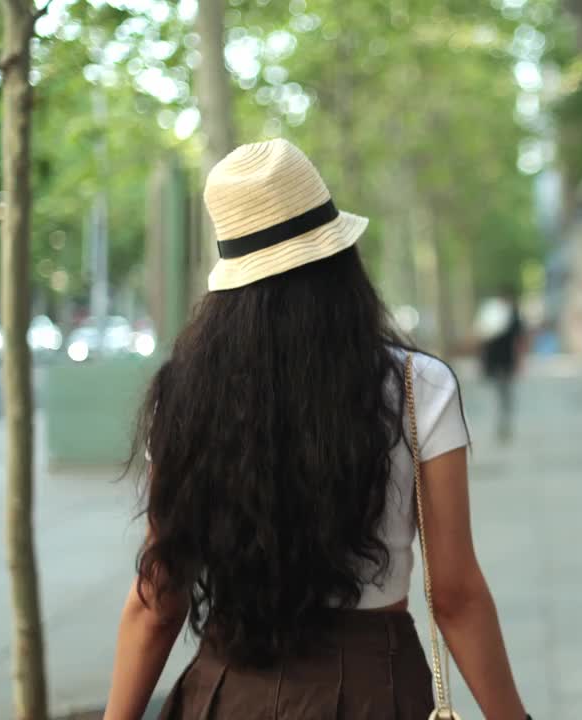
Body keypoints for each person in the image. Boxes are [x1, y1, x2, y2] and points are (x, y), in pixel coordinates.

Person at [103, 139, 530, 720]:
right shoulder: (417, 386)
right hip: (376, 687)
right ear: (340, 260)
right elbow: (454, 593)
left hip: (228, 689)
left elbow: (157, 601)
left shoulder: (183, 393)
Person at [479, 289, 527, 443]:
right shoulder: (494, 315)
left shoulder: (514, 317)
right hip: (495, 360)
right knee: (501, 392)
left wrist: (520, 360)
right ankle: (502, 424)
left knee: (505, 393)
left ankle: (504, 424)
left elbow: (519, 340)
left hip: (507, 360)